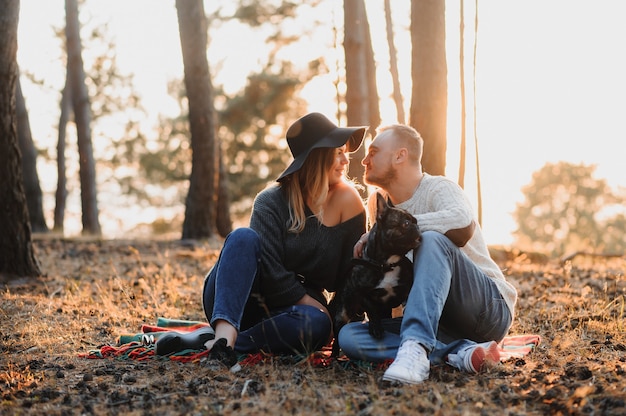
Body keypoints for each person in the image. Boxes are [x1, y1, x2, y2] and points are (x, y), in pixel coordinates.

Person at [156, 112, 367, 363]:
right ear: (316, 157)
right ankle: (224, 334)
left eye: (346, 152)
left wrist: (344, 324)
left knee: (318, 325)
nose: (346, 160)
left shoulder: (349, 202)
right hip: (238, 299)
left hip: (293, 315)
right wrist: (309, 301)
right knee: (243, 237)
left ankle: (217, 341)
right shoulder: (270, 202)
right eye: (338, 152)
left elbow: (353, 274)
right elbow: (269, 272)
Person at [337, 124, 517, 384]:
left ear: (400, 156)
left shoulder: (438, 187)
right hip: (433, 321)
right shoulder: (378, 204)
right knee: (350, 337)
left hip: (485, 311)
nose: (364, 160)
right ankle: (459, 351)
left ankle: (418, 350)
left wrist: (392, 228)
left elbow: (462, 223)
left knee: (432, 240)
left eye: (373, 152)